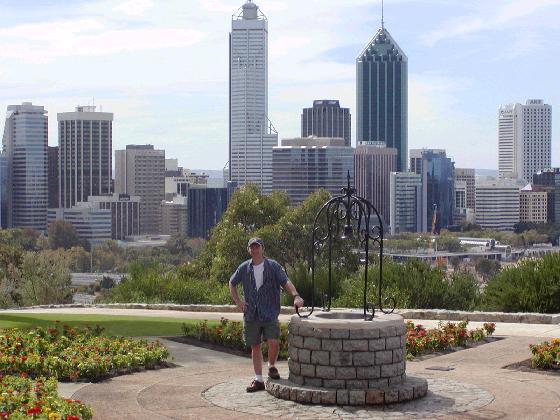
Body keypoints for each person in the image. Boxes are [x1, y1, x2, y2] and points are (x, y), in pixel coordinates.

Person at [229, 237, 304, 392]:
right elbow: (232, 282)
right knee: (255, 346)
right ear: (249, 250)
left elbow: (285, 281)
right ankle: (258, 380)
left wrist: (296, 295)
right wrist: (239, 302)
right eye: (252, 247)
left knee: (273, 342)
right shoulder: (244, 267)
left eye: (257, 247)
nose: (255, 250)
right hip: (251, 314)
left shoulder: (273, 266)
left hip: (270, 312)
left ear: (262, 248)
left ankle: (271, 366)